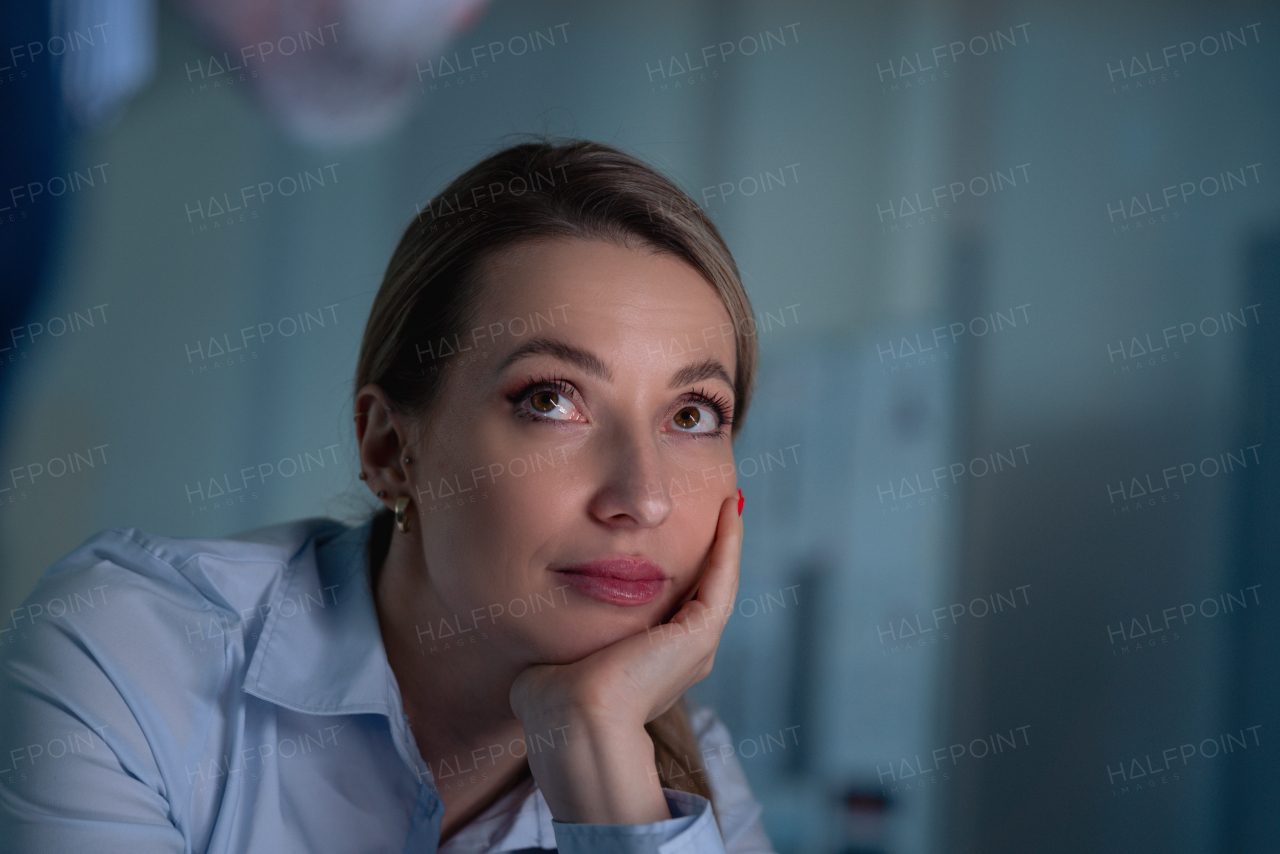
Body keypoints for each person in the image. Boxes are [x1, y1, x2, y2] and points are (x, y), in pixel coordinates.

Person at [0, 139, 776, 852]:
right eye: (551, 400)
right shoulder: (129, 656)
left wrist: (599, 753)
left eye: (691, 415)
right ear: (389, 449)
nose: (643, 498)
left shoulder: (687, 777)